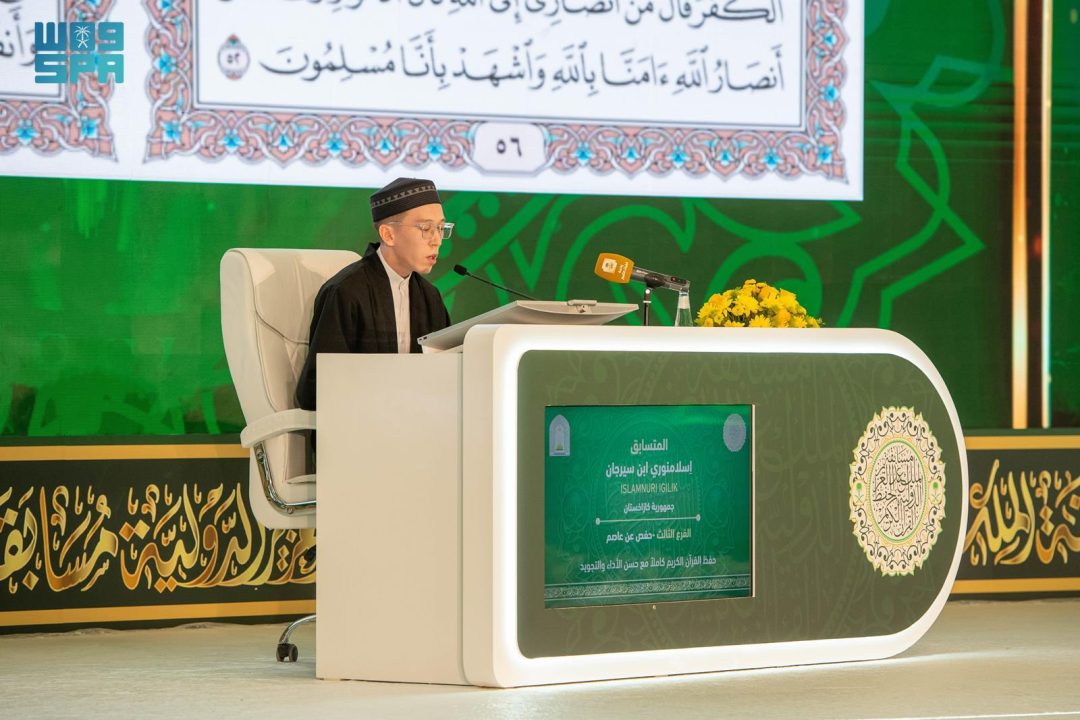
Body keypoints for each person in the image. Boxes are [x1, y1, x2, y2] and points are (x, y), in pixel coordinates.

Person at [295, 177, 452, 410]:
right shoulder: (346, 292)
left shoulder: (430, 298)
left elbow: (445, 376)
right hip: (358, 427)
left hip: (415, 422)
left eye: (441, 228)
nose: (437, 241)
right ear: (388, 235)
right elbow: (317, 388)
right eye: (426, 229)